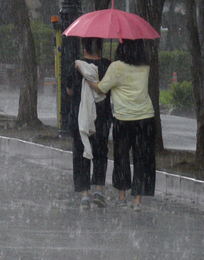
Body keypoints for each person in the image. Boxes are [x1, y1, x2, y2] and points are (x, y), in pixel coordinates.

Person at [81, 39, 156, 212]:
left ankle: (122, 197)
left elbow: (100, 89)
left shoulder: (116, 68)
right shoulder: (145, 68)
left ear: (121, 49)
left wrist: (86, 75)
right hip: (146, 118)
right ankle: (137, 200)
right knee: (142, 159)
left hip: (123, 119)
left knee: (121, 158)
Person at [66, 37, 112, 210]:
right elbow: (110, 89)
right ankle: (98, 190)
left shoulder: (76, 65)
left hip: (79, 116)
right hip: (102, 116)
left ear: (83, 46)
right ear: (100, 46)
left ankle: (85, 194)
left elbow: (69, 90)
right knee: (100, 152)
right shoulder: (108, 66)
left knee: (81, 153)